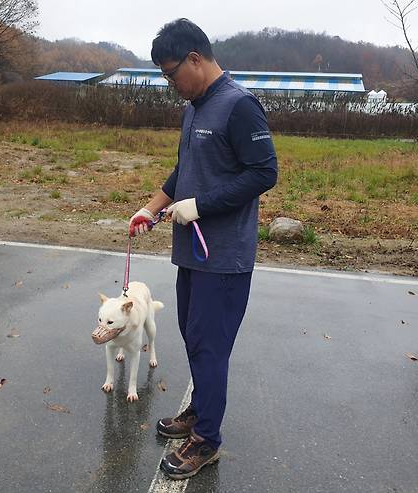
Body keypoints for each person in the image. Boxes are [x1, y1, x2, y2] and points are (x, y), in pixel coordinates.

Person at [128, 18, 278, 480]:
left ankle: (207, 441)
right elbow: (184, 168)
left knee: (211, 348)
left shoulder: (239, 106)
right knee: (194, 337)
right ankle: (199, 413)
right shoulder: (194, 107)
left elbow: (263, 173)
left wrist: (202, 205)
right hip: (191, 253)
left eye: (173, 73)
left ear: (196, 58)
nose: (171, 84)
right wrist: (152, 208)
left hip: (224, 257)